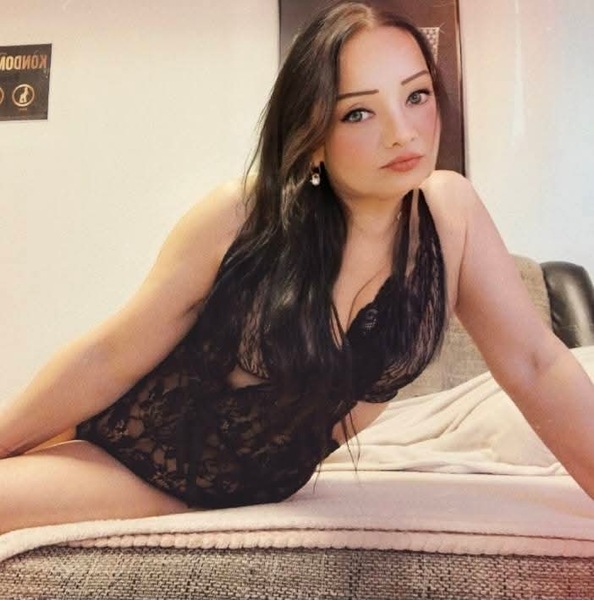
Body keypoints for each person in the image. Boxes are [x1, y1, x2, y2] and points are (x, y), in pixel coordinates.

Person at [1, 0, 593, 534]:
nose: (402, 133)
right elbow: (109, 355)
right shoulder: (241, 216)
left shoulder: (450, 214)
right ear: (312, 137)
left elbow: (537, 364)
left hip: (265, 481)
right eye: (358, 113)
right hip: (145, 457)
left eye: (416, 96)